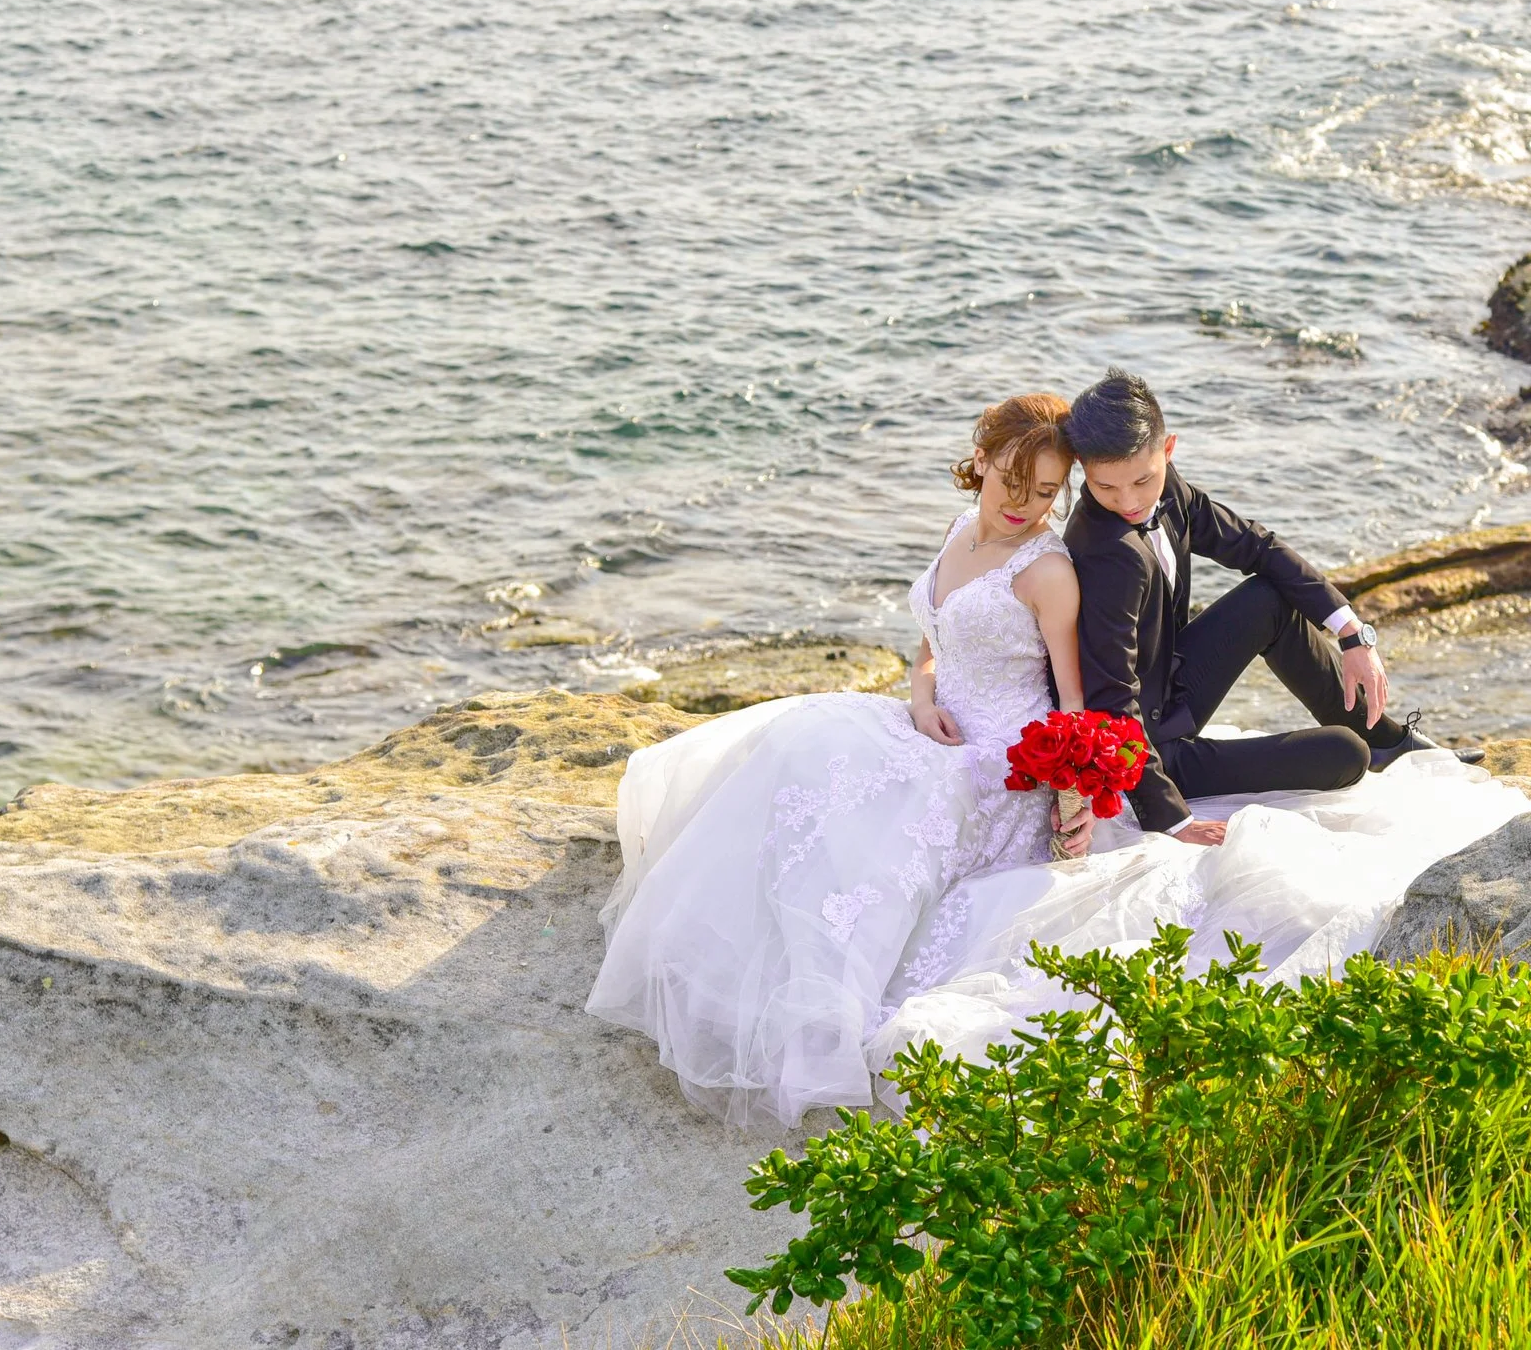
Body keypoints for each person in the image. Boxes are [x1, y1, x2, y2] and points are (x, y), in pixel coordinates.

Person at [585, 394, 1083, 1126]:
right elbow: (931, 644)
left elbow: (1072, 703)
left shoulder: (1048, 571)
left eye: (1046, 491)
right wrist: (919, 701)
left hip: (999, 762)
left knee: (874, 824)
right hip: (931, 722)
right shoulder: (957, 531)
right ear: (979, 460)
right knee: (800, 740)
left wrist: (1072, 802)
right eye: (1013, 481)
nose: (1026, 505)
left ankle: (821, 1009)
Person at [1060, 368, 1467, 847]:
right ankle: (1368, 746)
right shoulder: (1108, 553)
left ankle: (1388, 742)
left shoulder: (1169, 490)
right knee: (1343, 753)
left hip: (1170, 687)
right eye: (1105, 488)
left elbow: (1258, 547)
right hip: (1151, 748)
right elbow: (1111, 699)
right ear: (1083, 470)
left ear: (1168, 451)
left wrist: (1352, 632)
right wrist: (1171, 819)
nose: (1128, 501)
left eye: (1141, 480)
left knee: (1269, 595)